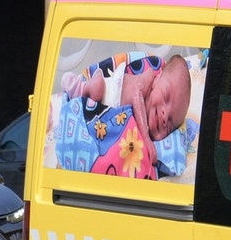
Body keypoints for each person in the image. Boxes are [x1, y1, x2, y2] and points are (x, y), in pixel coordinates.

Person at [62, 53, 192, 171]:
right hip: (109, 91)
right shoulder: (148, 78)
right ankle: (80, 88)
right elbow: (136, 96)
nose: (165, 116)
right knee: (96, 90)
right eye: (166, 96)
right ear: (157, 80)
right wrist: (146, 138)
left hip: (104, 117)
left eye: (169, 124)